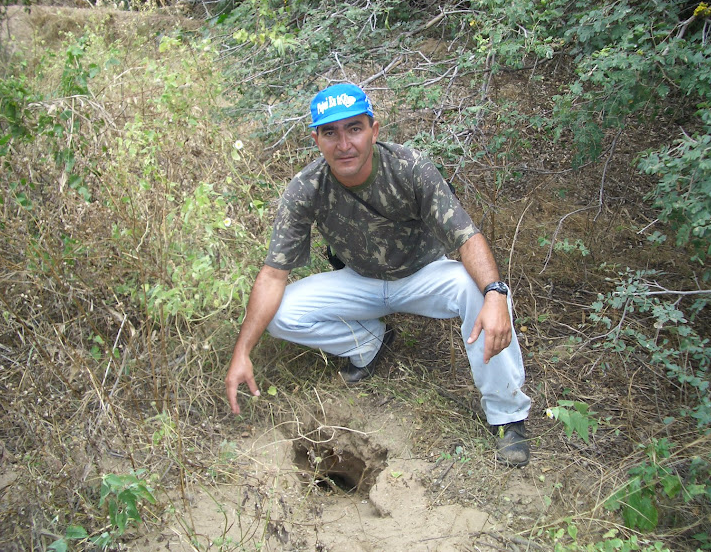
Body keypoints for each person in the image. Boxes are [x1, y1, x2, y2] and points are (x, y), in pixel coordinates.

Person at [225, 83, 531, 466]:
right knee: (280, 313)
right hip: (361, 280)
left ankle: (507, 416)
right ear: (316, 139)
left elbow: (466, 237)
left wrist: (496, 293)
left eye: (354, 128)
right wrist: (242, 353)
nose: (344, 144)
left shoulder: (410, 167)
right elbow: (273, 275)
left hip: (424, 275)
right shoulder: (305, 188)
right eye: (330, 133)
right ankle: (368, 342)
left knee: (478, 291)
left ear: (374, 129)